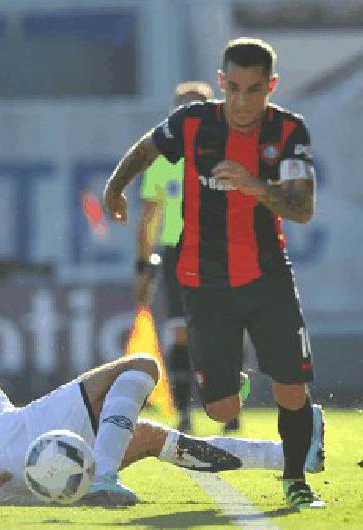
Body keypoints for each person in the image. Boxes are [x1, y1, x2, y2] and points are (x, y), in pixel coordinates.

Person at [0, 243, 325, 508]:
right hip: (13, 444)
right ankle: (104, 477)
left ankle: (293, 452)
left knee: (149, 436)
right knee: (140, 366)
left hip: (16, 469)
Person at [102, 37, 325, 509]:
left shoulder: (288, 132)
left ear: (272, 86)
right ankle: (229, 383)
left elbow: (302, 209)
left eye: (255, 90)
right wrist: (115, 187)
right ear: (221, 82)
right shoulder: (193, 123)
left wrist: (253, 185)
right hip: (204, 282)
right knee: (222, 408)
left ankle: (295, 480)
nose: (243, 102)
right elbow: (147, 147)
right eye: (235, 88)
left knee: (291, 387)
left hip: (267, 277)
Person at [136, 80, 241, 435]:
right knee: (180, 332)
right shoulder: (162, 162)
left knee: (225, 329)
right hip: (178, 251)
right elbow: (149, 218)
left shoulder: (227, 156)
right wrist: (143, 264)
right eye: (181, 109)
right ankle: (184, 412)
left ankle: (230, 406)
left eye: (195, 108)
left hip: (219, 249)